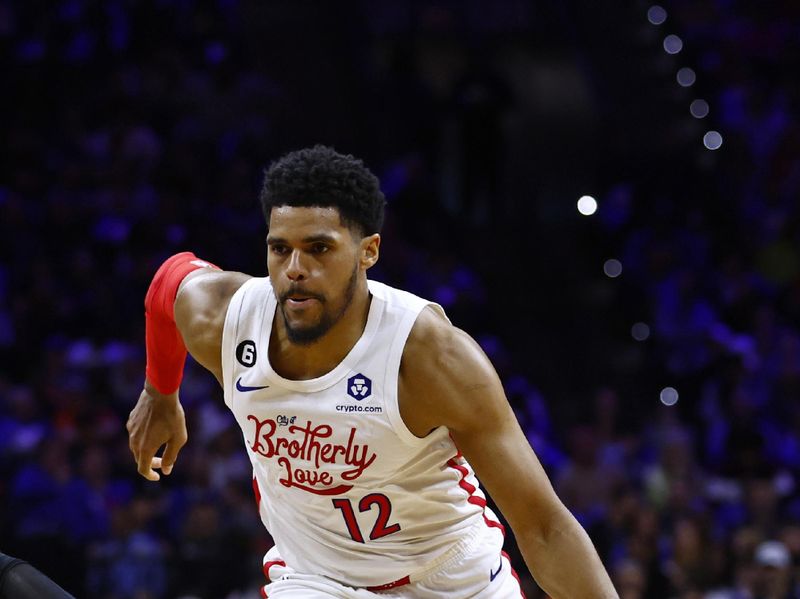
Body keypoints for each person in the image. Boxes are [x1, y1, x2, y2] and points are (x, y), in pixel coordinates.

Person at [127, 144, 619, 597]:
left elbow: (544, 527)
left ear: (369, 251)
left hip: (447, 578)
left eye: (319, 248)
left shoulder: (429, 357)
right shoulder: (226, 320)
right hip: (317, 579)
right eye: (280, 248)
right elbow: (169, 281)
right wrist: (160, 392)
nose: (295, 268)